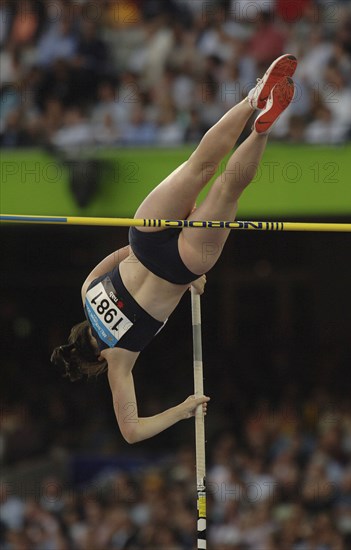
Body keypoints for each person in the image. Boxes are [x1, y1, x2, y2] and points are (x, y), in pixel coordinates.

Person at [52, 54, 297, 444]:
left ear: (95, 359)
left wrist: (183, 409)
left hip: (181, 265)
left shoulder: (116, 360)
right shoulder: (87, 291)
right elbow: (121, 255)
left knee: (228, 188)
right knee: (201, 164)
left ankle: (262, 131)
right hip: (144, 237)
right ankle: (253, 99)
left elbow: (131, 432)